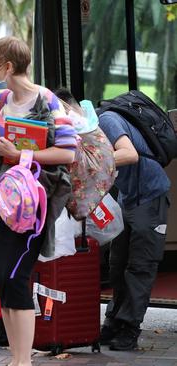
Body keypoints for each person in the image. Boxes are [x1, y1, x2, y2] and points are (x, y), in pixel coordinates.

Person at [0, 36, 76, 366]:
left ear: (8, 66)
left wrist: (22, 153)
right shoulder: (1, 101)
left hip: (33, 204)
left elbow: (67, 151)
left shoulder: (48, 101)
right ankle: (16, 357)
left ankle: (24, 360)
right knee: (4, 278)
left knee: (17, 277)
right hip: (3, 202)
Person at [56, 91, 170, 351]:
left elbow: (130, 155)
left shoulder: (106, 120)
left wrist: (88, 164)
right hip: (127, 198)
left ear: (67, 108)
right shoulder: (86, 131)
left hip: (150, 197)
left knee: (140, 266)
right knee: (117, 265)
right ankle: (113, 323)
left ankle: (130, 329)